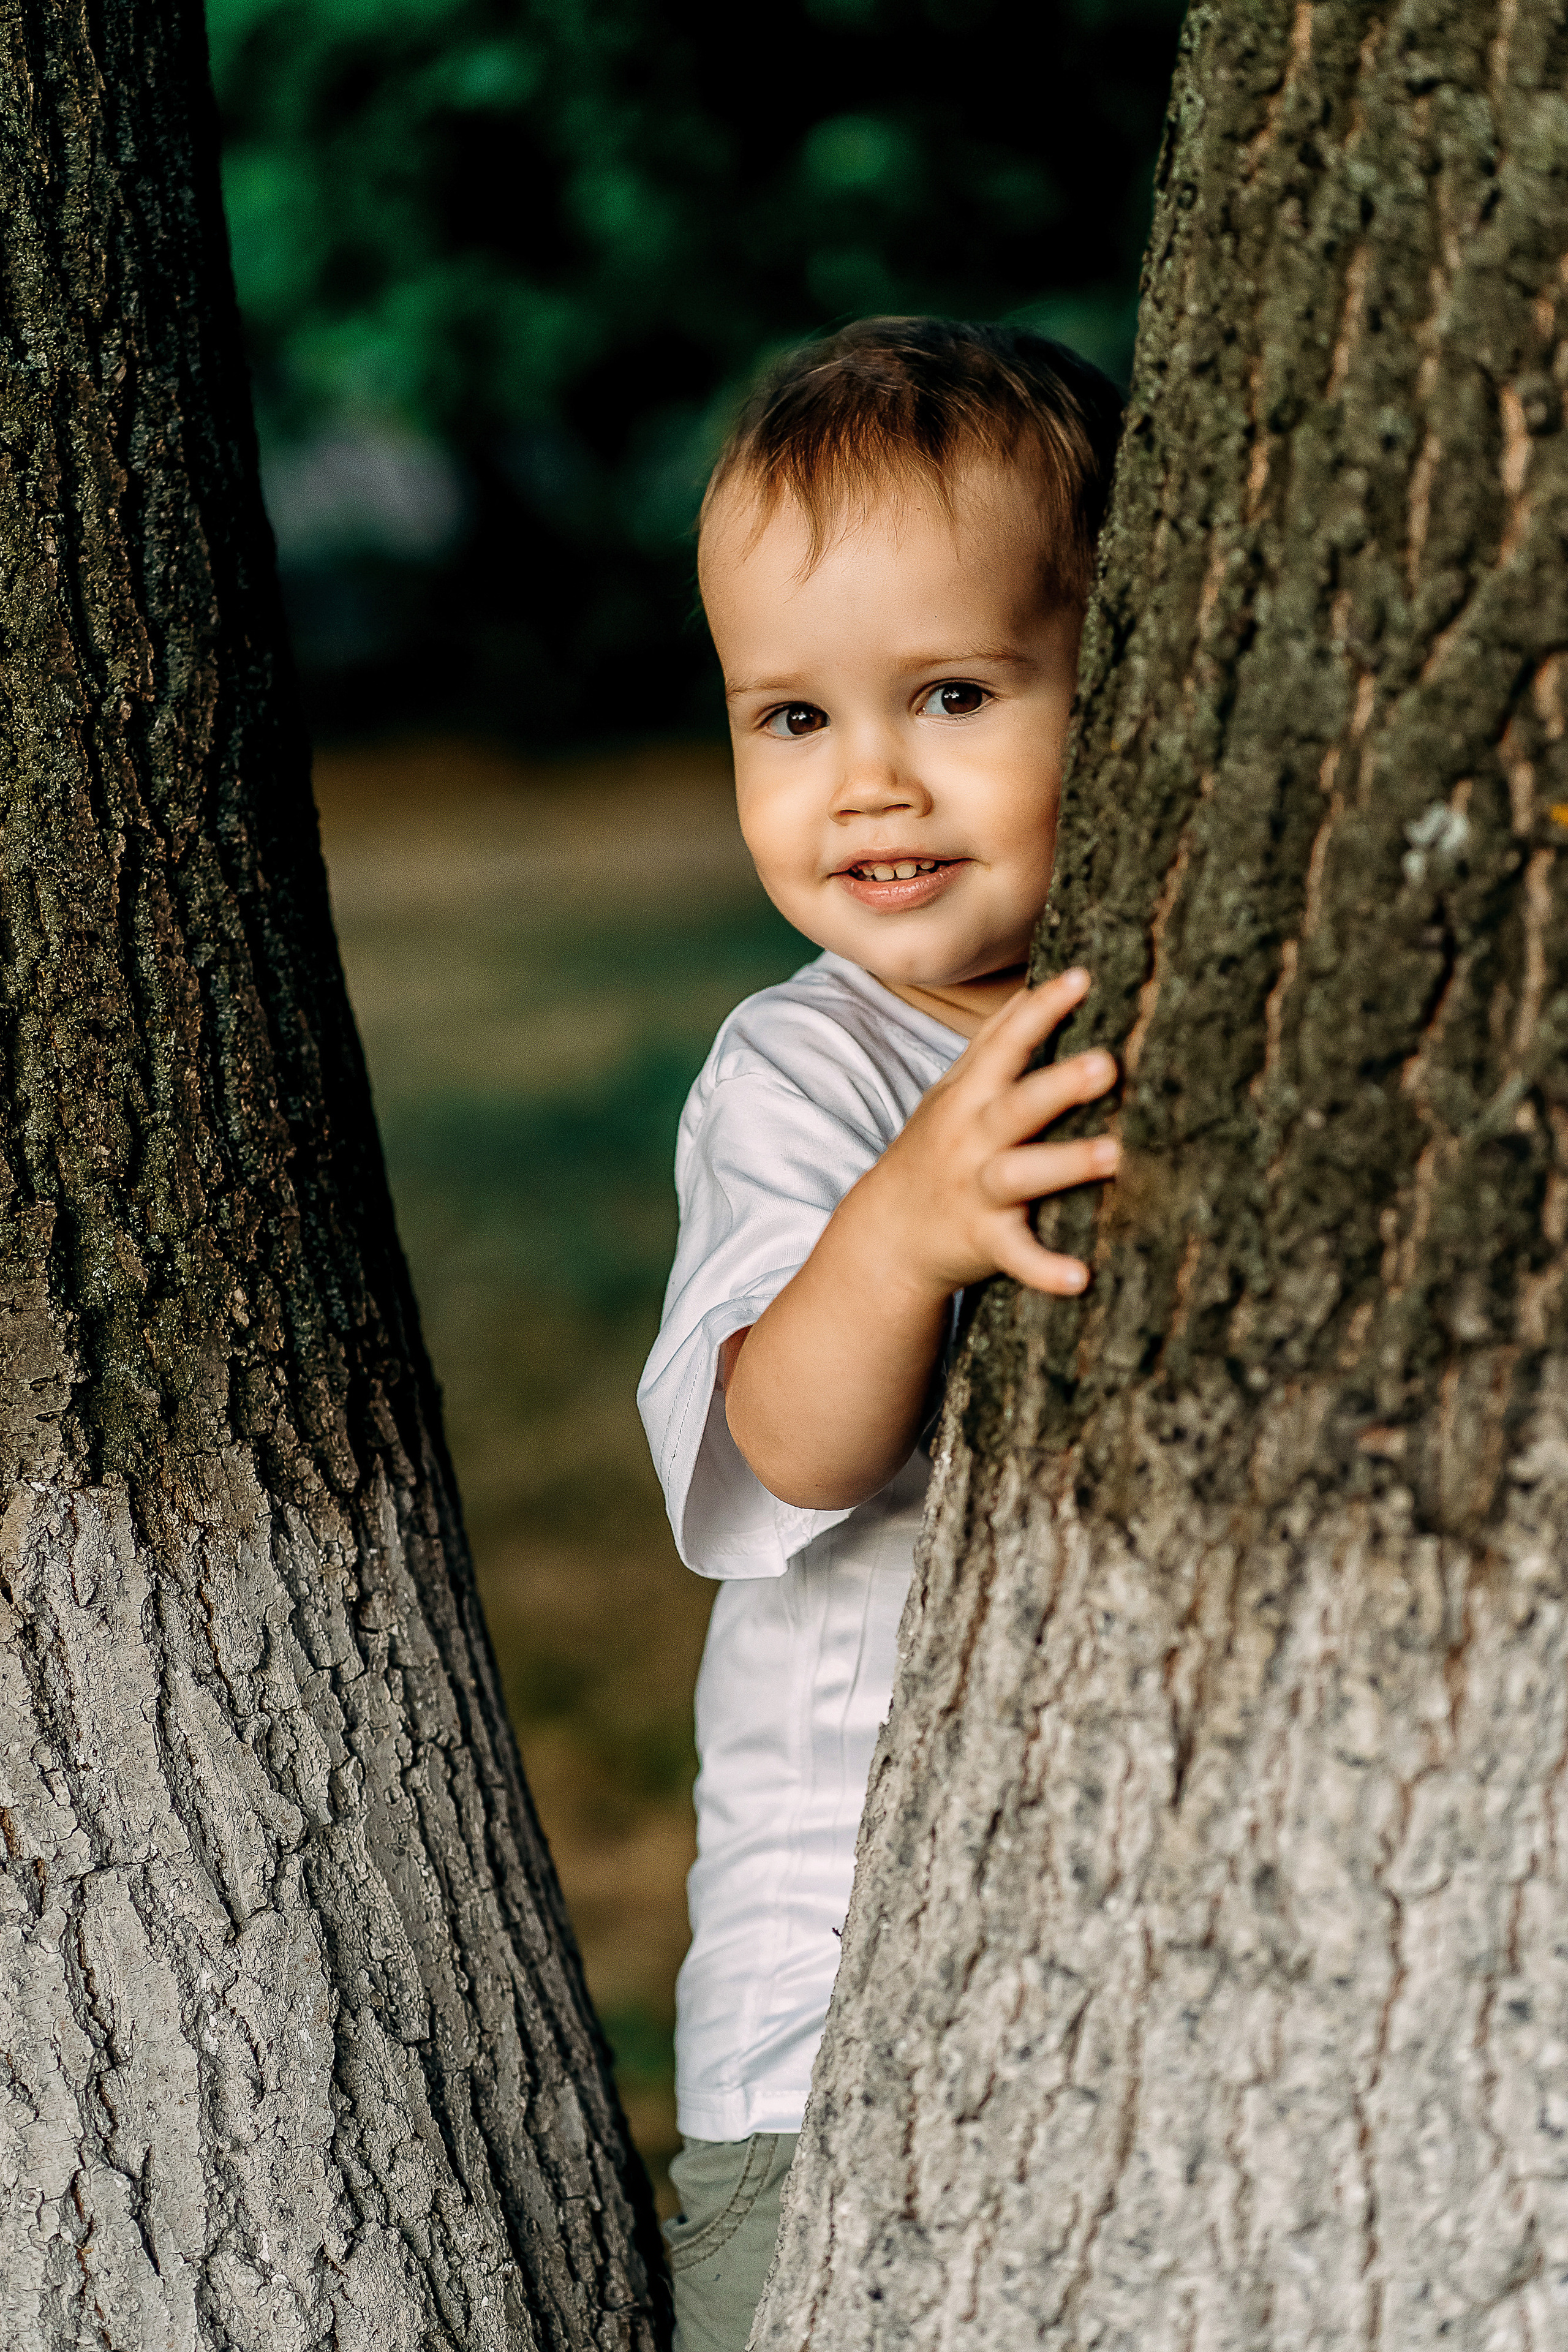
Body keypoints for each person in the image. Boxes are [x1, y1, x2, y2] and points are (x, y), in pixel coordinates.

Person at [637, 315, 1125, 2351]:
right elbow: (785, 1447)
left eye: (951, 694)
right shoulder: (801, 1072)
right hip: (830, 2033)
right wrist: (901, 1231)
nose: (873, 787)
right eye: (791, 721)